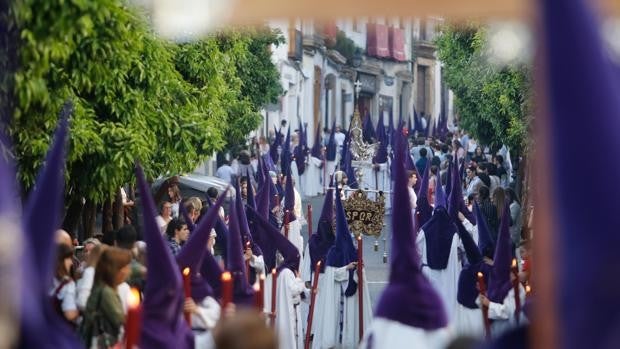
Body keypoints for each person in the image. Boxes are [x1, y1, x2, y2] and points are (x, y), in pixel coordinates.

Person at [79, 247, 132, 348]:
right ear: (115, 270)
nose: (128, 271)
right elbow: (120, 319)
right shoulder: (107, 293)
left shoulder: (103, 287)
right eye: (124, 267)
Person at [51, 243, 79, 326]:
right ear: (61, 260)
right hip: (62, 330)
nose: (71, 263)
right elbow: (69, 314)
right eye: (68, 258)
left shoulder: (44, 280)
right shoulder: (67, 285)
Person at [76, 244, 105, 312]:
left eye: (92, 251)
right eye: (86, 251)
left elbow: (82, 301)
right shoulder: (80, 268)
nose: (88, 253)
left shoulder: (90, 271)